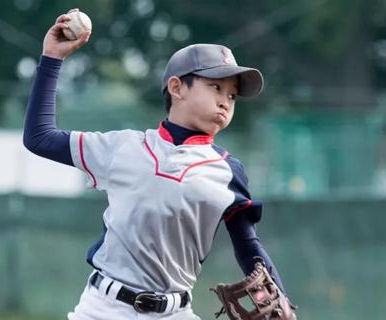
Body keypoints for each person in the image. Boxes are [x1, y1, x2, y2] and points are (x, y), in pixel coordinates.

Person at [23, 8, 295, 320]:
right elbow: (39, 137)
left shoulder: (226, 171)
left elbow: (248, 247)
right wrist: (52, 58)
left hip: (174, 312)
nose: (225, 101)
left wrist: (276, 299)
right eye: (215, 87)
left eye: (232, 96)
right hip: (102, 308)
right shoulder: (123, 147)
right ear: (177, 88)